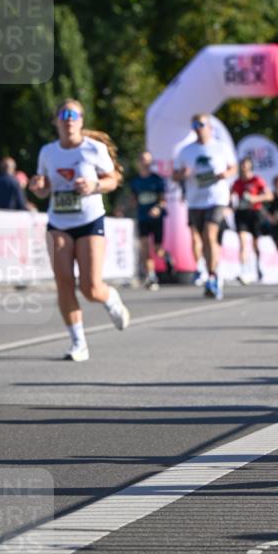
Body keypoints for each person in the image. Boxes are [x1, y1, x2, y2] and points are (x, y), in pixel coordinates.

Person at [29, 99, 129, 361]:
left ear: (82, 120)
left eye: (74, 114)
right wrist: (38, 186)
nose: (69, 118)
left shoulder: (94, 149)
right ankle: (78, 342)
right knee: (63, 283)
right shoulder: (48, 152)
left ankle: (110, 298)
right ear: (56, 121)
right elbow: (44, 187)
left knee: (90, 287)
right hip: (58, 222)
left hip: (89, 220)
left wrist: (94, 185)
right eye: (63, 114)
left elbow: (113, 179)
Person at [173, 114, 236, 300]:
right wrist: (182, 174)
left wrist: (225, 174)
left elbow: (233, 168)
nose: (198, 127)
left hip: (217, 198)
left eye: (201, 124)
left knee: (210, 234)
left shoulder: (220, 147)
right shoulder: (185, 151)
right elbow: (174, 175)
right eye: (195, 124)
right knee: (202, 240)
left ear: (209, 126)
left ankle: (212, 276)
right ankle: (212, 269)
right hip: (195, 200)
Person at [131, 151, 169, 291]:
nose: (145, 163)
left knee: (157, 250)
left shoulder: (157, 180)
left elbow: (163, 200)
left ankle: (167, 257)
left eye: (148, 160)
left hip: (156, 218)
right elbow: (134, 198)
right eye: (142, 160)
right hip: (142, 218)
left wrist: (158, 208)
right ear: (139, 162)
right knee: (145, 247)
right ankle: (151, 277)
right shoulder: (135, 181)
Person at [231, 156, 272, 284]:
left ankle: (258, 268)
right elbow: (231, 197)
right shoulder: (237, 183)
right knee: (243, 241)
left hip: (255, 213)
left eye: (245, 165)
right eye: (242, 165)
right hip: (241, 214)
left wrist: (255, 199)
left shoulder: (257, 180)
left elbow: (269, 196)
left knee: (255, 243)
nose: (243, 167)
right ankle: (243, 270)